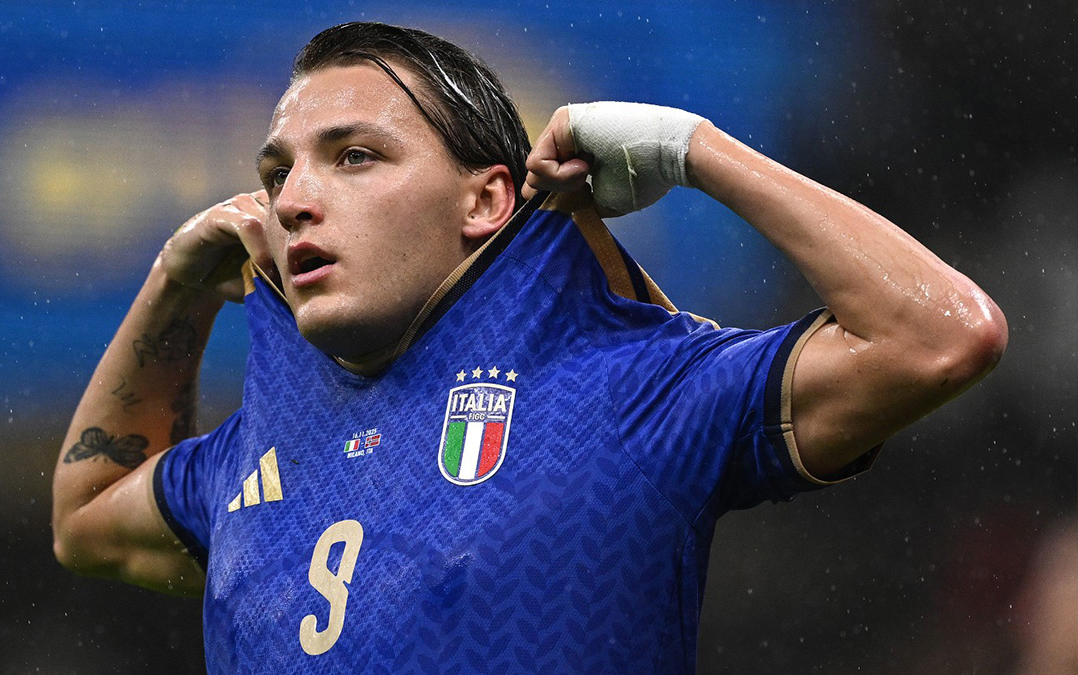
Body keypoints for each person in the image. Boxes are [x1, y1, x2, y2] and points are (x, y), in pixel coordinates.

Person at [50, 21, 1007, 674]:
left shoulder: (626, 391)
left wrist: (693, 149)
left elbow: (941, 336)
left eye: (354, 156)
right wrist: (175, 282)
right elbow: (83, 516)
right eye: (277, 172)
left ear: (486, 200)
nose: (292, 199)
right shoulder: (260, 443)